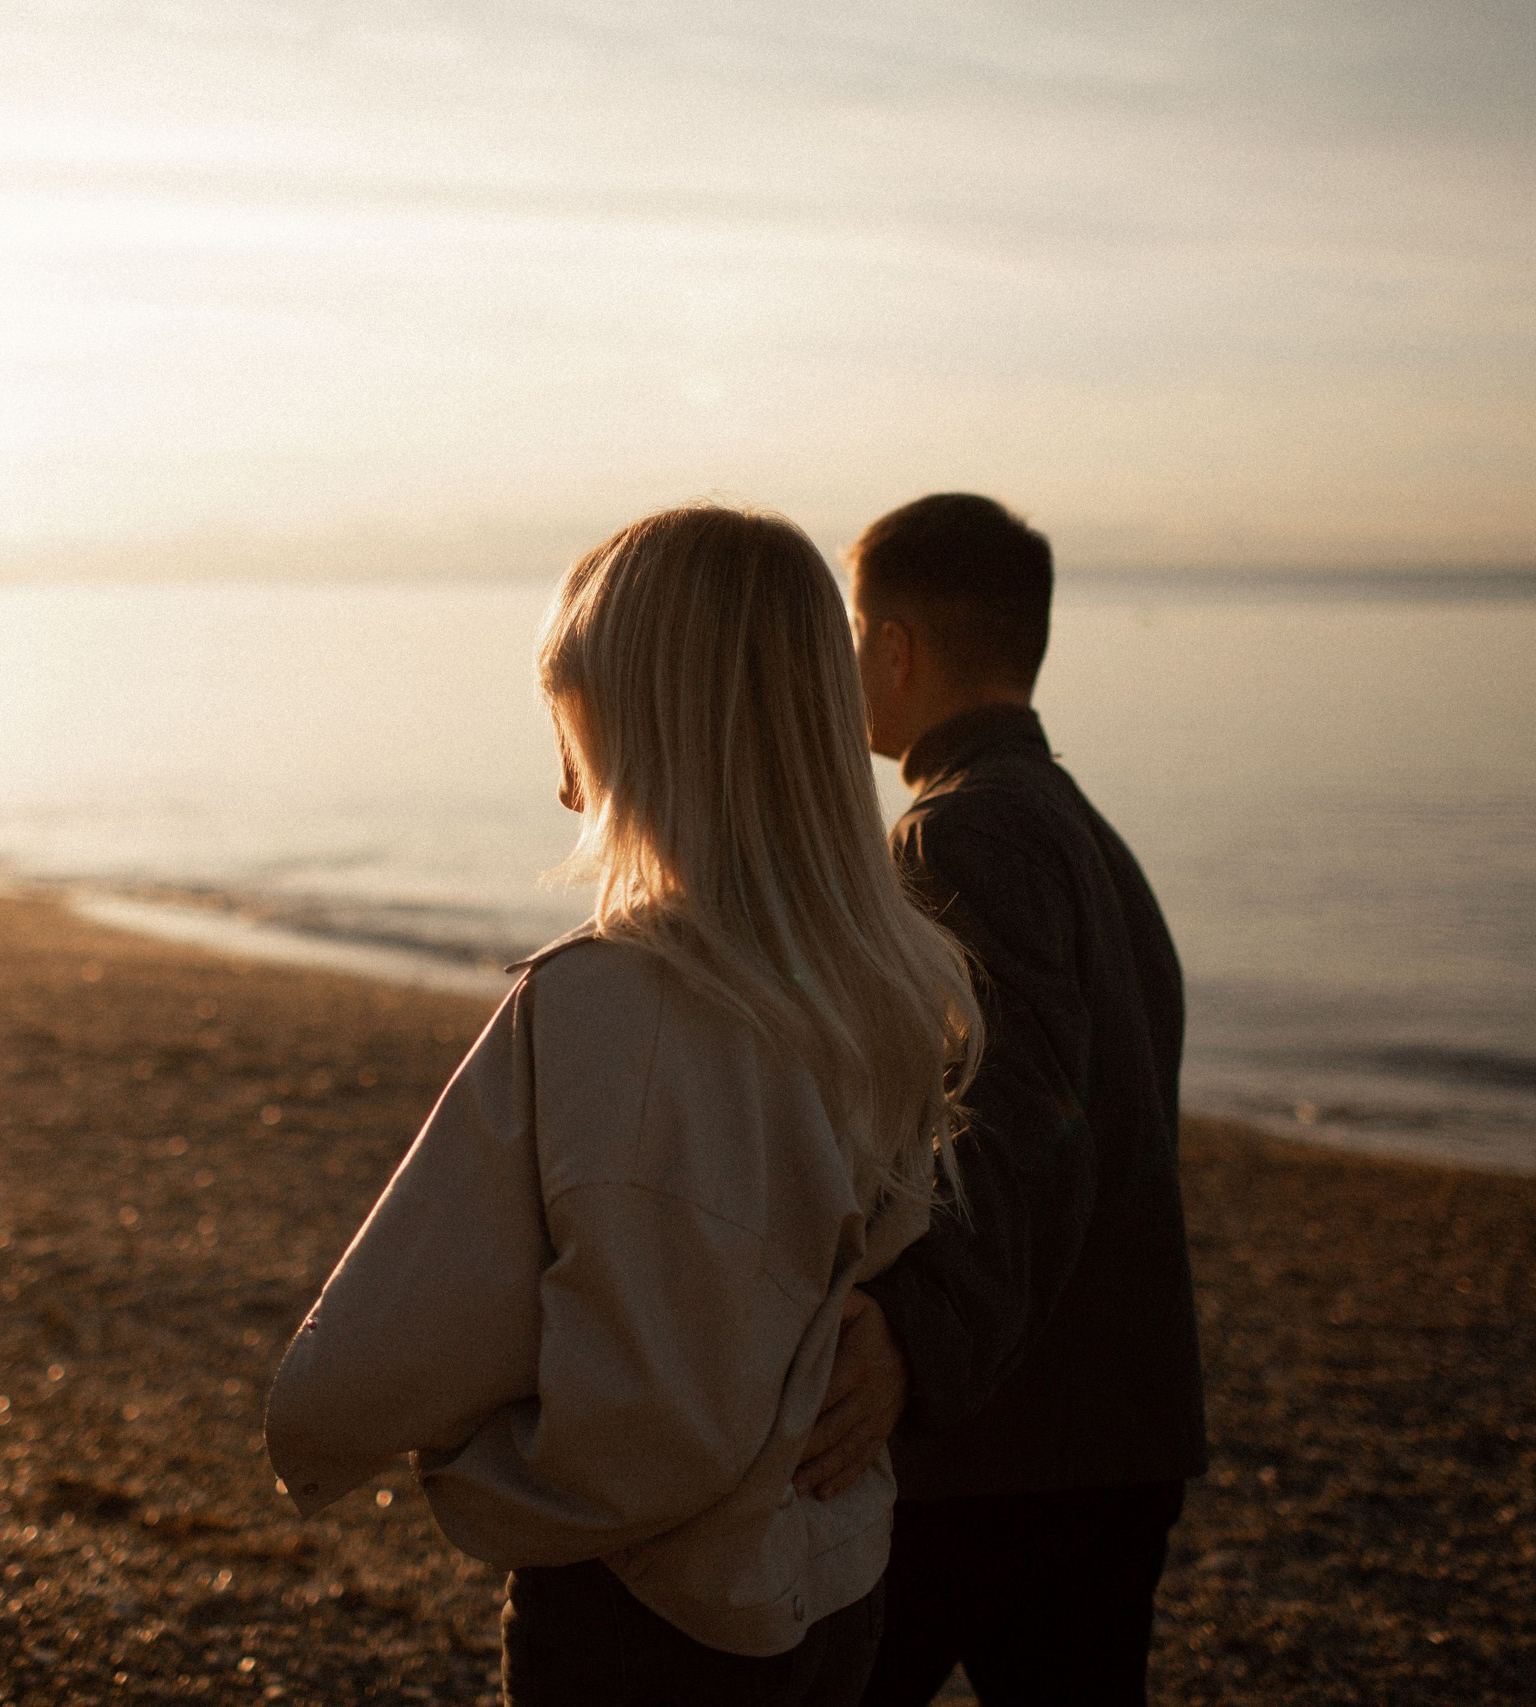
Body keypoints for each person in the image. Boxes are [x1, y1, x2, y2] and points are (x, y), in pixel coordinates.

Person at [265, 505, 980, 1706]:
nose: (560, 785)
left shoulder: (608, 1004)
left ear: (658, 730)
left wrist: (481, 1474)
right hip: (831, 1568)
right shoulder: (892, 984)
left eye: (572, 728)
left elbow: (579, 1396)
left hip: (647, 1612)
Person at [795, 493, 1208, 1707]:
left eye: (856, 630)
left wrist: (914, 1338)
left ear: (896, 646)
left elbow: (1019, 1120)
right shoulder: (1084, 833)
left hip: (1006, 1447)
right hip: (1111, 1428)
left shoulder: (957, 836)